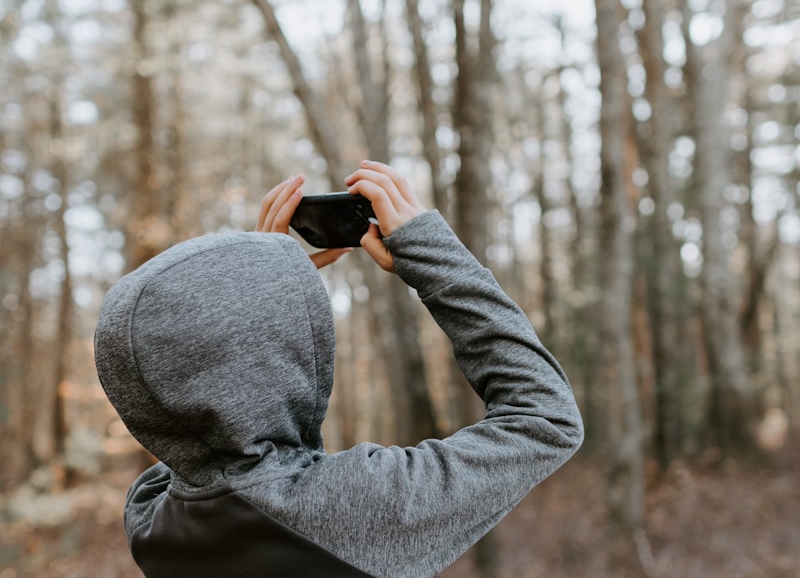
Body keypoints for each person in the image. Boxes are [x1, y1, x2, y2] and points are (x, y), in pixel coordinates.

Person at [95, 160, 584, 578]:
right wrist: (432, 255)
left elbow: (184, 407)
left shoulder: (152, 519)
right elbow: (545, 419)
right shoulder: (355, 510)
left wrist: (259, 282)